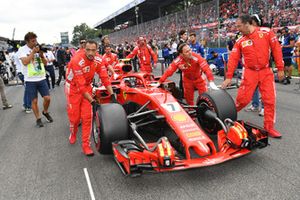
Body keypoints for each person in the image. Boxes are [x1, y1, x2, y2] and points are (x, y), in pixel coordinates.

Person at [221, 14, 284, 138]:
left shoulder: (266, 32)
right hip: (250, 73)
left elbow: (276, 49)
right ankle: (224, 118)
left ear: (247, 23)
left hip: (266, 72)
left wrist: (280, 68)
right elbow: (233, 58)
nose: (237, 29)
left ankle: (269, 128)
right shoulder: (240, 41)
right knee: (242, 101)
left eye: (239, 26)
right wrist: (229, 77)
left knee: (270, 101)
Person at [65, 40, 116, 156]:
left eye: (93, 50)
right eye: (88, 50)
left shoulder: (99, 60)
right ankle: (73, 132)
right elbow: (80, 85)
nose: (90, 53)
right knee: (75, 117)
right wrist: (93, 101)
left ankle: (86, 145)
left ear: (97, 50)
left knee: (87, 117)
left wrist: (112, 95)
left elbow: (104, 77)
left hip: (87, 87)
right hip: (73, 88)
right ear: (84, 49)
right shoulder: (76, 60)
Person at [18, 32, 53, 127]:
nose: (35, 42)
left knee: (47, 98)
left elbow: (45, 64)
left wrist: (41, 55)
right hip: (30, 80)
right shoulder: (22, 49)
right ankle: (38, 118)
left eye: (36, 40)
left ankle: (45, 112)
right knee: (34, 101)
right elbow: (25, 62)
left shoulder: (38, 49)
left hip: (41, 77)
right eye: (33, 41)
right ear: (27, 41)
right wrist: (33, 52)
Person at [245, 14, 265, 116]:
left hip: (264, 66)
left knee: (264, 88)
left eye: (251, 22)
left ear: (256, 23)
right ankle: (255, 104)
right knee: (254, 86)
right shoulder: (248, 35)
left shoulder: (265, 32)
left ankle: (265, 108)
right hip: (253, 67)